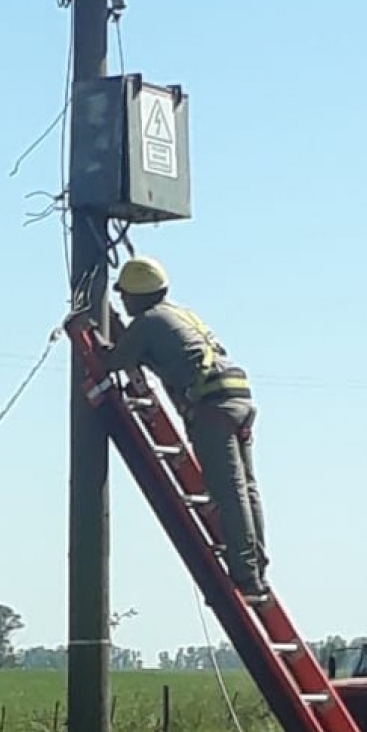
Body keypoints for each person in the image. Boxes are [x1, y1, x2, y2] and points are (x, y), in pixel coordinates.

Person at [102, 256, 269, 605]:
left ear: (137, 295)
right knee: (246, 489)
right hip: (237, 396)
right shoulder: (180, 314)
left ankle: (246, 575)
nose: (122, 300)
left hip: (212, 405)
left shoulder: (148, 322)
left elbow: (113, 362)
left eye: (124, 294)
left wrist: (94, 337)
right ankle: (257, 568)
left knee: (229, 491)